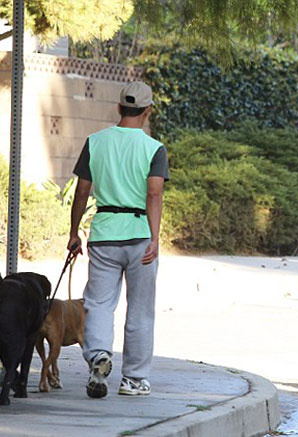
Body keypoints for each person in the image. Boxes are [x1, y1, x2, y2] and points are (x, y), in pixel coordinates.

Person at [68, 81, 169, 399]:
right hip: (140, 237)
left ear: (119, 108)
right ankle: (134, 380)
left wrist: (74, 233)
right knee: (139, 309)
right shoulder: (153, 148)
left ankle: (98, 355)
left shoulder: (95, 142)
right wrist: (155, 237)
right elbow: (154, 193)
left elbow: (82, 191)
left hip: (105, 233)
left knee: (98, 303)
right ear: (148, 110)